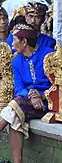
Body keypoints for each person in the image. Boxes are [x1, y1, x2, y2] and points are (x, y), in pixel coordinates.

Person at [0, 22, 54, 163]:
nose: (12, 44)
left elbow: (59, 84)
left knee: (16, 107)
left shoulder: (48, 55)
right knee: (15, 117)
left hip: (48, 101)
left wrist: (41, 95)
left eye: (14, 40)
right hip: (27, 101)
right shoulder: (17, 61)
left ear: (24, 42)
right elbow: (19, 88)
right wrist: (31, 94)